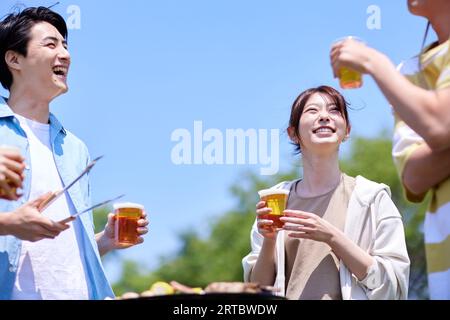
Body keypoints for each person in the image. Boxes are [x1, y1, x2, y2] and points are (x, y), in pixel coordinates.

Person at [0, 7, 149, 300]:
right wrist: (8, 224)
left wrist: (104, 242)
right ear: (14, 59)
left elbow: (60, 250)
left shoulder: (74, 148)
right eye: (51, 44)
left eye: (66, 45)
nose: (65, 55)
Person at [330, 0, 450, 299]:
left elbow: (439, 125)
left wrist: (373, 63)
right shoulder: (409, 72)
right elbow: (414, 175)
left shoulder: (392, 75)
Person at [242, 86, 410, 300]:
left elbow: (392, 285)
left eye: (334, 110)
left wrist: (331, 236)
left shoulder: (372, 198)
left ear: (347, 130)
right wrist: (269, 241)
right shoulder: (275, 201)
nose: (324, 117)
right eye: (312, 110)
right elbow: (257, 292)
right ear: (292, 133)